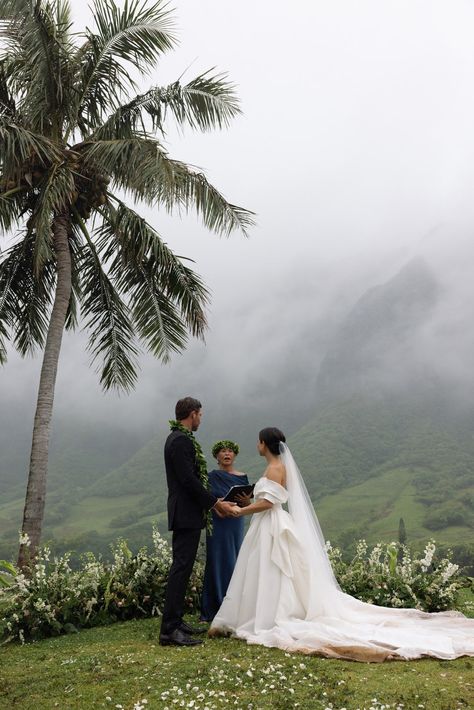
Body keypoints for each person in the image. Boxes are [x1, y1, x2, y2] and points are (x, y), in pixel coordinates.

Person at [210, 427, 474, 661]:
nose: (256, 446)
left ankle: (267, 615)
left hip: (270, 524)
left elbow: (270, 503)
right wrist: (248, 503)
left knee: (271, 568)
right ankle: (268, 610)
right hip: (273, 523)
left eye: (258, 442)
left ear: (264, 444)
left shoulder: (274, 468)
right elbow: (270, 499)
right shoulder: (281, 467)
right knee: (274, 570)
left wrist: (239, 512)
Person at [159, 397, 235, 647]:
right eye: (200, 414)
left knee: (184, 567)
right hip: (186, 513)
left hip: (188, 513)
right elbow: (189, 480)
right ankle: (169, 630)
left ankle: (177, 621)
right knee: (181, 568)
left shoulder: (179, 438)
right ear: (192, 414)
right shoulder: (180, 440)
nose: (201, 419)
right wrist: (215, 503)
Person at [200, 440, 252, 622]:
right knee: (216, 560)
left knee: (235, 559)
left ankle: (234, 606)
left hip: (235, 521)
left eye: (230, 451)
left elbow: (248, 503)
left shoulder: (242, 477)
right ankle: (213, 608)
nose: (227, 454)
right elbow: (205, 500)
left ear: (235, 455)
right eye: (223, 451)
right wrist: (217, 504)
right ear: (217, 456)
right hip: (217, 521)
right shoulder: (211, 476)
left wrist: (246, 501)